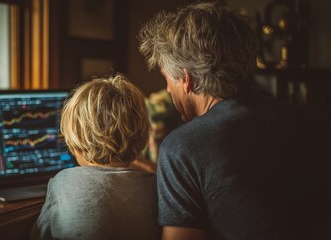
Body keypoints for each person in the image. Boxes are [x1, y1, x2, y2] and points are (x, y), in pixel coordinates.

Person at [138, 1, 330, 240]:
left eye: (166, 77)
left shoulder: (182, 147)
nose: (167, 88)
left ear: (186, 79)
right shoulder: (313, 121)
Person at [30, 74, 161, 240]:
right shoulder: (155, 185)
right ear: (141, 136)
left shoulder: (63, 181)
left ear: (75, 143)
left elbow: (39, 235)